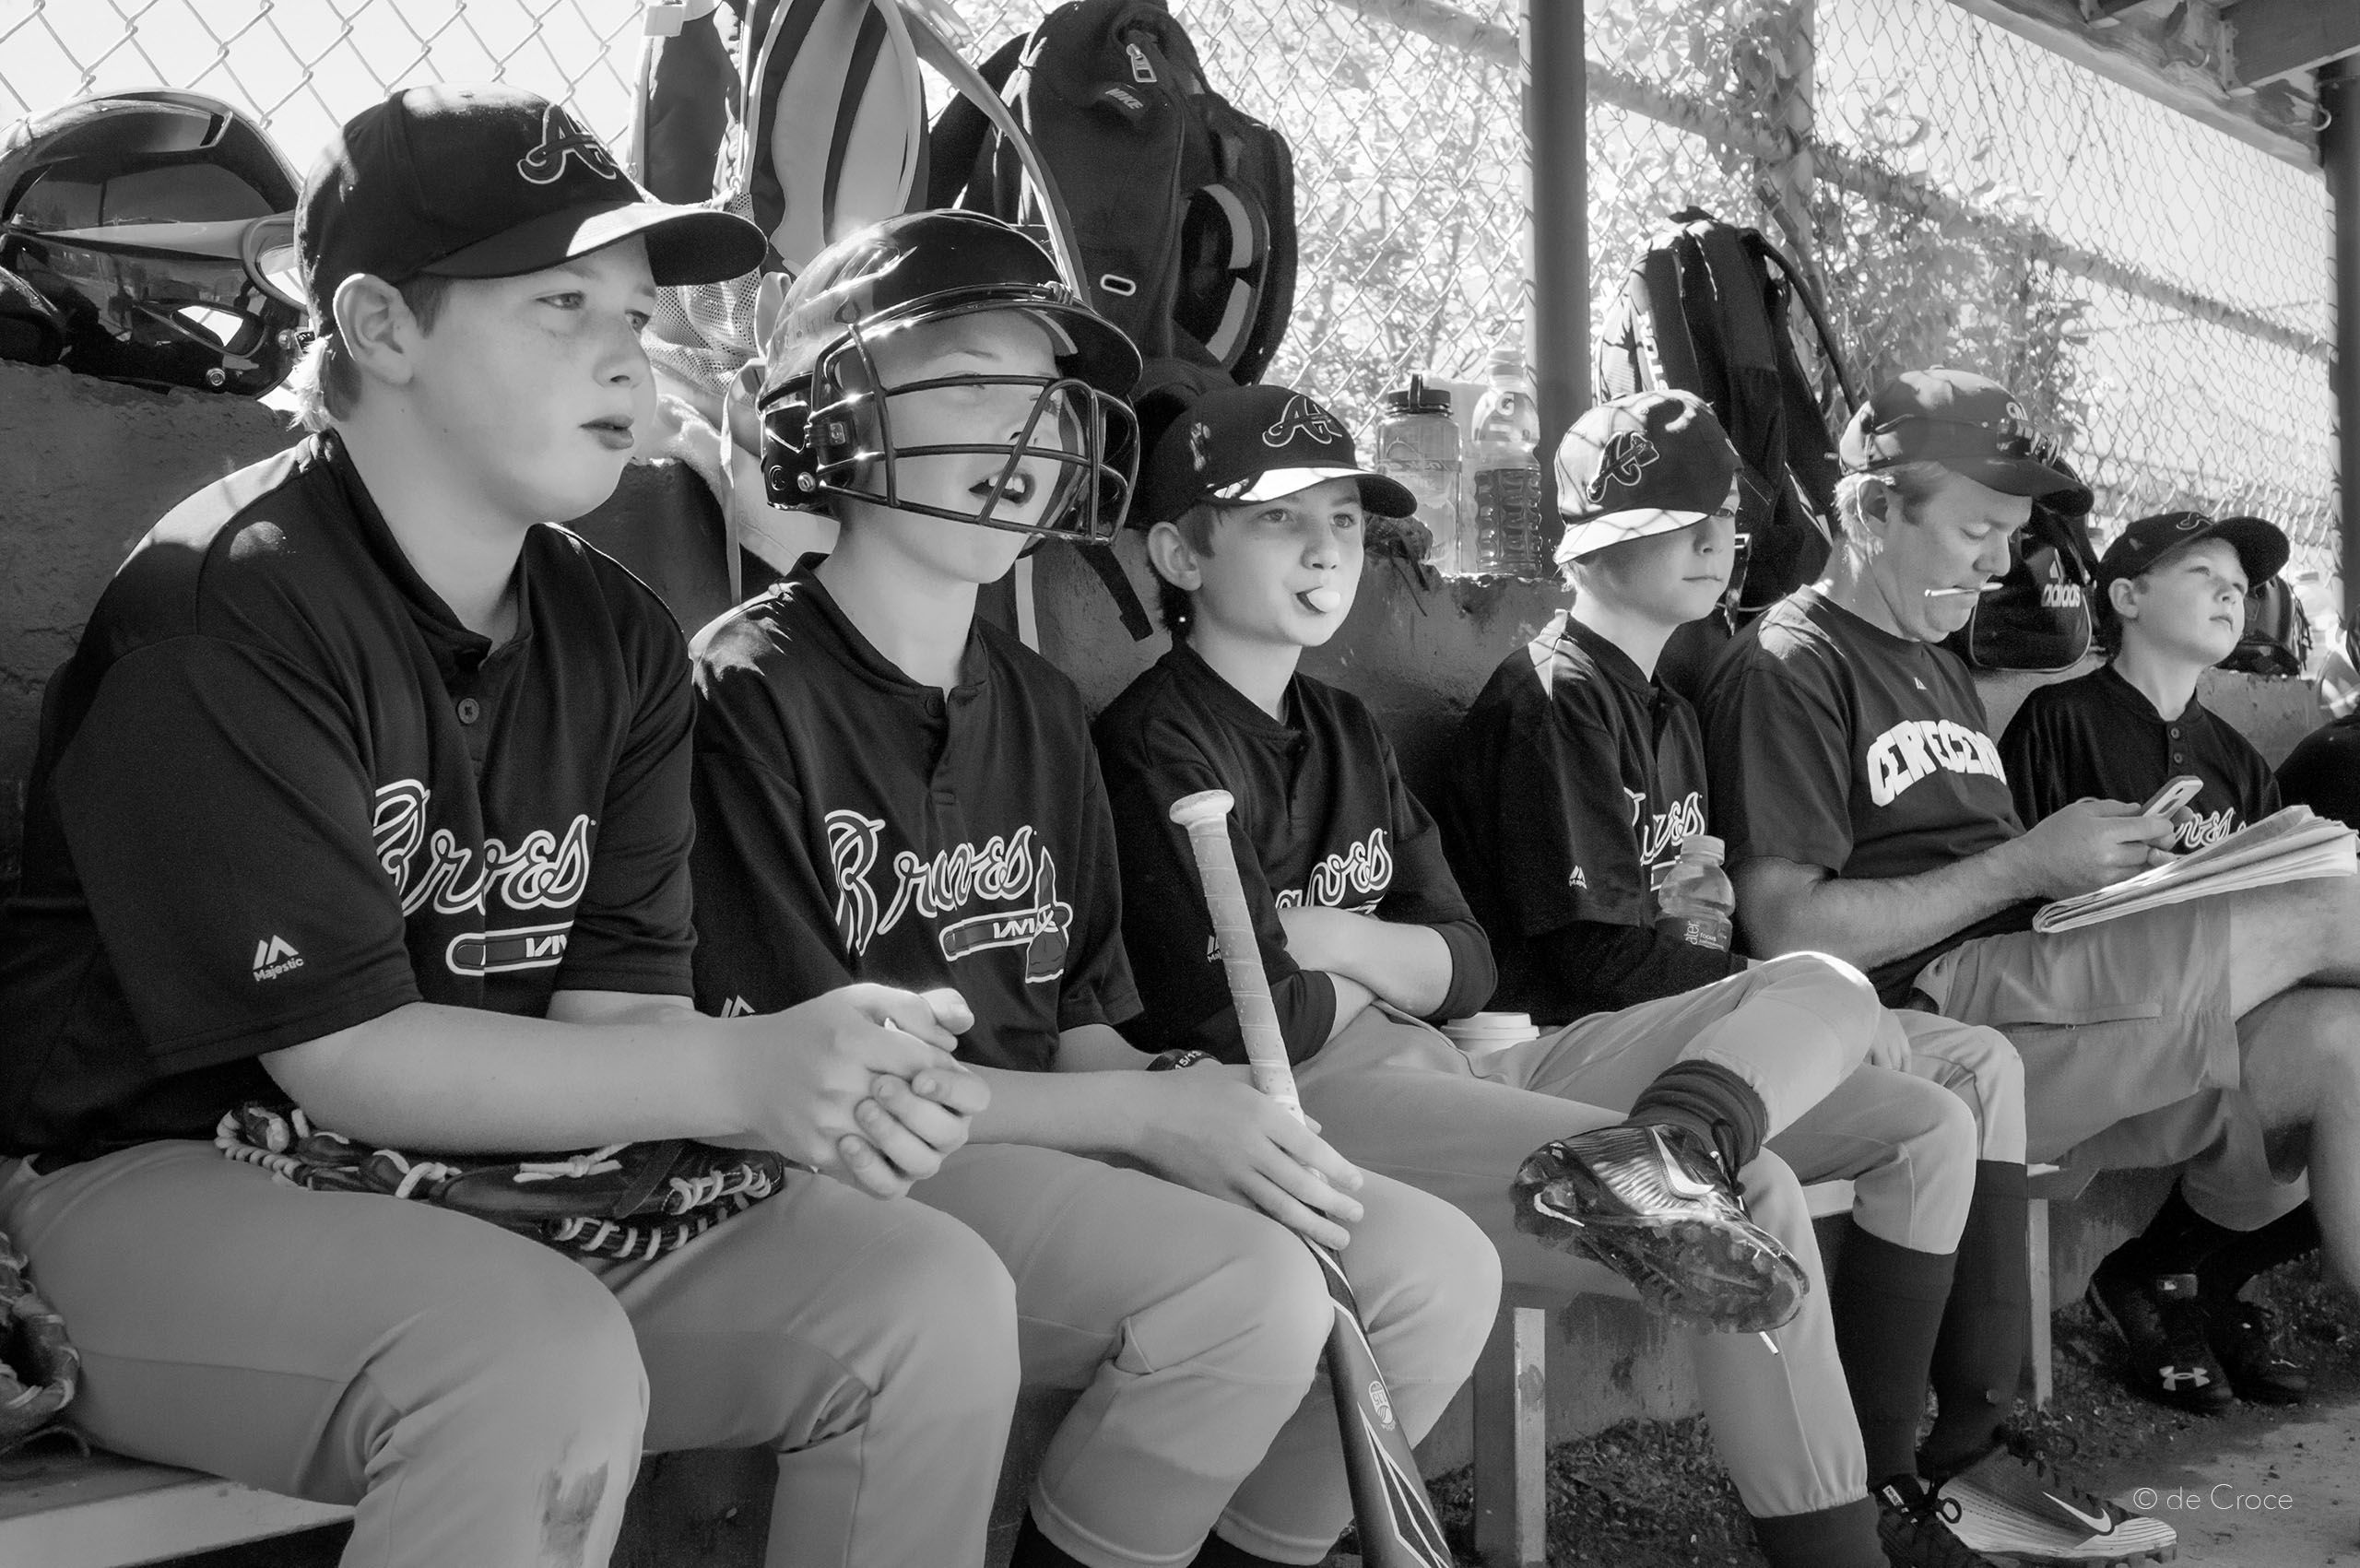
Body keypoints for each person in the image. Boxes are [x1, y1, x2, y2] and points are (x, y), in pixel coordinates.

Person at [0, 86, 1021, 1568]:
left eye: (635, 305)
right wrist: (742, 1071)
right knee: (527, 1360)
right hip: (148, 1180)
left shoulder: (616, 635)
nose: (627, 348)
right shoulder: (234, 602)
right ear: (381, 328)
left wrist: (812, 1085)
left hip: (466, 1185)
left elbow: (619, 1018)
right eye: (559, 301)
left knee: (924, 1297)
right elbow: (344, 1058)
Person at [683, 210, 1502, 1568]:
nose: (1027, 434)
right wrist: (1145, 1111)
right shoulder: (746, 694)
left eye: (1043, 398)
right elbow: (831, 1103)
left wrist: (1193, 1121)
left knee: (1430, 1268)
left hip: (1037, 1129)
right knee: (1244, 1290)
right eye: (970, 386)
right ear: (830, 415)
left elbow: (1081, 1017)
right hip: (851, 1172)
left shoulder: (1043, 705)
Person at [1094, 383, 2002, 1568]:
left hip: (1468, 1062)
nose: (1327, 548)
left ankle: (1678, 1140)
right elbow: (1244, 1008)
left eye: (1348, 519)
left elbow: (1464, 965)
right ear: (1178, 551)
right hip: (1316, 1108)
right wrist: (1391, 967)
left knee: (1825, 983)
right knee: (1753, 1198)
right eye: (1278, 520)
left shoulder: (1345, 724)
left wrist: (1341, 942)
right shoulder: (1157, 741)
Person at [1439, 389, 2130, 1566]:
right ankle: (1868, 1476)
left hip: (1668, 1031)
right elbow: (1585, 952)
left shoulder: (1660, 697)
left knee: (1931, 1102)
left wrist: (1724, 949)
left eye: (1721, 514)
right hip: (1561, 1051)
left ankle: (1910, 1474)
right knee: (1847, 1011)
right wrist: (1752, 978)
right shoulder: (1557, 691)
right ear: (1587, 539)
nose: (1712, 539)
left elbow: (1686, 917)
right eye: (1674, 517)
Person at [1699, 366, 2360, 1558]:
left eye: (2011, 537)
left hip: (2034, 973)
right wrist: (2026, 869)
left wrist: (2111, 871)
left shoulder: (1940, 659)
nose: (2001, 564)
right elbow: (1789, 928)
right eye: (1974, 529)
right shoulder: (1794, 661)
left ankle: (1982, 1454)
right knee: (2337, 901)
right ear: (1869, 513)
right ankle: (1949, 1464)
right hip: (1923, 1008)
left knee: (2341, 1042)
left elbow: (2008, 873)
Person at [1999, 510, 2318, 1412]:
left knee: (2337, 1060)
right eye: (2201, 571)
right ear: (2127, 597)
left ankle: (2189, 1284)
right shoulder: (2057, 720)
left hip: (2215, 1017)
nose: (2230, 590)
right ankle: (2174, 1283)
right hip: (2091, 1022)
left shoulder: (2236, 759)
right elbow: (2017, 905)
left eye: (2238, 582)